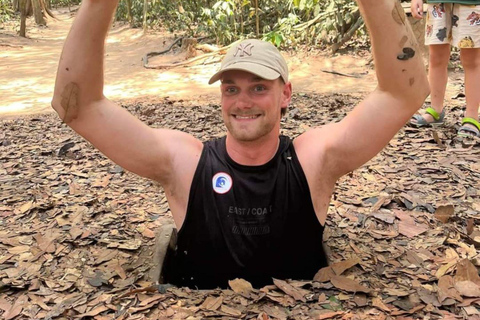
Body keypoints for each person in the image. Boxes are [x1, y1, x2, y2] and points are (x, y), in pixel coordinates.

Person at [51, 0, 429, 289]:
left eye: (259, 88)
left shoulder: (314, 160)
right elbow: (79, 107)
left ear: (286, 94)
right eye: (231, 89)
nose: (242, 102)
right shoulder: (184, 164)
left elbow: (402, 95)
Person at [410, 0, 480, 137]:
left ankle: (472, 116)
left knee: (472, 60)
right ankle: (435, 109)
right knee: (436, 57)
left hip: (472, 3)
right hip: (437, 3)